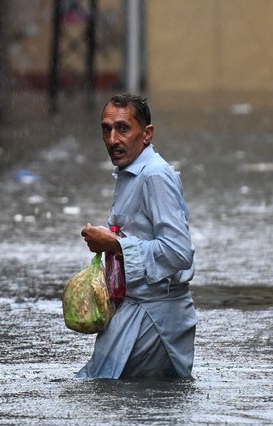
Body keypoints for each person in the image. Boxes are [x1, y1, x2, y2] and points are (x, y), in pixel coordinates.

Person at [77, 93, 197, 379]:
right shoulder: (129, 173)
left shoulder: (154, 175)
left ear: (147, 134)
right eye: (106, 129)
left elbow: (179, 253)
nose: (112, 139)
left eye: (123, 128)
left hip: (154, 319)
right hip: (133, 312)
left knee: (104, 392)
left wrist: (116, 244)